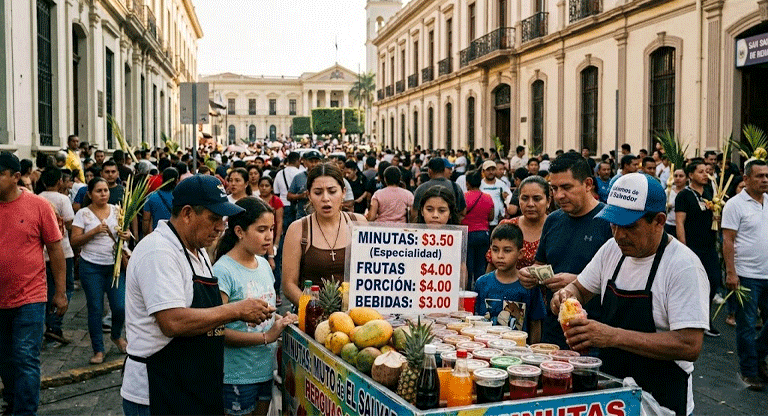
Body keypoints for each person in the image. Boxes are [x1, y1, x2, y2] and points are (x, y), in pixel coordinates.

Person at [552, 173, 709, 416]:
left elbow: (689, 344)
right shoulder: (612, 250)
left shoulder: (683, 266)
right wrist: (565, 296)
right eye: (613, 224)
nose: (618, 235)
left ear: (658, 220)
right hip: (614, 396)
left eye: (629, 226)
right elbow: (580, 289)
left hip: (661, 399)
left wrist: (612, 336)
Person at [121, 174, 274, 415]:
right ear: (187, 213)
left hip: (191, 386)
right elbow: (172, 322)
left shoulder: (197, 250)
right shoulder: (159, 251)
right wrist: (237, 310)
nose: (221, 227)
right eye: (214, 218)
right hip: (158, 392)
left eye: (223, 219)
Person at [518, 152, 613, 349]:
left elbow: (623, 281)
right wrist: (530, 274)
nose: (559, 195)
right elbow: (541, 263)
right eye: (554, 188)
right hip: (554, 331)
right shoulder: (553, 220)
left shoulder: (609, 223)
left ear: (588, 184)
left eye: (566, 187)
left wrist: (578, 282)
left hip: (594, 336)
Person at [213, 198, 297, 415]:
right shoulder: (223, 271)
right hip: (236, 375)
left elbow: (267, 313)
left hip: (265, 370)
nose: (269, 236)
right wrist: (267, 337)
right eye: (261, 230)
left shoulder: (263, 265)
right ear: (239, 231)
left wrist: (282, 320)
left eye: (271, 228)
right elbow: (216, 329)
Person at [0, 152, 68, 415]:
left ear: (16, 177)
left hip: (30, 296)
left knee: (25, 356)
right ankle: (14, 401)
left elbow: (56, 249)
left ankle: (25, 411)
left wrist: (60, 292)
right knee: (5, 359)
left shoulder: (38, 206)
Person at [282, 164, 367, 306]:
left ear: (343, 192)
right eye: (318, 192)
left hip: (355, 318)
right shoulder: (297, 230)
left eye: (332, 191)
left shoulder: (359, 223)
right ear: (309, 195)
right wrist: (314, 309)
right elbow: (289, 285)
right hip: (312, 319)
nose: (325, 198)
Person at [70, 177, 129, 364]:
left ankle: (116, 335)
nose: (103, 194)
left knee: (120, 306)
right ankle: (98, 349)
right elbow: (75, 241)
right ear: (90, 194)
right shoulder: (83, 214)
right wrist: (94, 231)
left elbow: (125, 236)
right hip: (91, 267)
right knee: (95, 308)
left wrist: (127, 235)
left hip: (115, 266)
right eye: (98, 191)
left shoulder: (117, 210)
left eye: (105, 190)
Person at [721, 159, 768, 390]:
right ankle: (749, 370)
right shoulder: (735, 205)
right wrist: (731, 273)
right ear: (746, 179)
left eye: (767, 175)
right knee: (747, 324)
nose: (765, 180)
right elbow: (727, 240)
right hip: (746, 275)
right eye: (759, 176)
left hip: (767, 273)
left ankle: (758, 355)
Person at [475, 223, 545, 342]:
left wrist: (533, 351)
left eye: (507, 250)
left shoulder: (528, 284)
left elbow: (535, 323)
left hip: (519, 352)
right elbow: (476, 320)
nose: (500, 256)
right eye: (495, 250)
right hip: (487, 349)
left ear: (520, 253)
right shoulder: (482, 283)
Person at [675, 160, 721, 337]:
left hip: (709, 245)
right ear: (691, 175)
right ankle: (694, 321)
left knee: (714, 280)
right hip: (692, 246)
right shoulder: (684, 196)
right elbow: (680, 222)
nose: (705, 174)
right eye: (701, 171)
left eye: (706, 171)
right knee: (694, 284)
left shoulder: (710, 193)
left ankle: (705, 318)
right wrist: (683, 247)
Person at [39, 167, 76, 344]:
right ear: (60, 182)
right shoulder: (62, 199)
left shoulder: (37, 198)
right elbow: (69, 222)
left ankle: (47, 323)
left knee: (46, 288)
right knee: (65, 287)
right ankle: (54, 324)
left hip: (42, 251)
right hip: (63, 250)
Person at [487, 176, 551, 272]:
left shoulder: (556, 227)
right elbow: (492, 265)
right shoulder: (508, 226)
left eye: (537, 199)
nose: (530, 204)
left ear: (548, 201)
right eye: (524, 198)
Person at [461, 169, 494, 286]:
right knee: (481, 266)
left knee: (468, 266)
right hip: (483, 234)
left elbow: (461, 214)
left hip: (468, 234)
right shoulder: (488, 197)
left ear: (467, 183)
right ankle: (481, 290)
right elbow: (491, 217)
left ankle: (469, 291)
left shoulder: (464, 197)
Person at [143, 167, 179, 235]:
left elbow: (146, 220)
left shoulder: (151, 196)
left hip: (157, 235)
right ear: (176, 180)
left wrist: (145, 235)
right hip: (175, 235)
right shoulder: (179, 197)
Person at [288, 150, 323, 220]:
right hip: (302, 216)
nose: (313, 164)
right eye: (311, 161)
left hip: (321, 216)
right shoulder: (298, 177)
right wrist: (301, 195)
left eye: (316, 161)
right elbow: (289, 196)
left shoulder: (324, 177)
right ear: (305, 163)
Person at [479, 160, 510, 230]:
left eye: (493, 169)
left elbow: (509, 198)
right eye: (488, 170)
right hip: (483, 223)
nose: (491, 172)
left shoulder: (501, 184)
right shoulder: (479, 185)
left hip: (499, 223)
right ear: (483, 171)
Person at [274, 151, 300, 226]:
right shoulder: (300, 173)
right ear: (298, 161)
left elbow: (276, 192)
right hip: (296, 206)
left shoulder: (279, 173)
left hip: (282, 205)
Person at [664, 167, 686, 235]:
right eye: (675, 176)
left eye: (681, 176)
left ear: (687, 178)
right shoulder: (668, 192)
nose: (678, 178)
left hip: (684, 226)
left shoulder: (688, 192)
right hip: (669, 225)